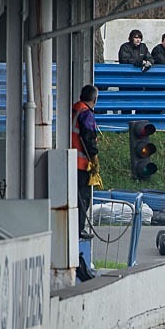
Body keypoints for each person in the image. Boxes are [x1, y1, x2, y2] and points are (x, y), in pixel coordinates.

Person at [71, 85, 100, 239]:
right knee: (83, 198)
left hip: (70, 161)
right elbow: (89, 138)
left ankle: (74, 228)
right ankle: (79, 229)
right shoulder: (86, 113)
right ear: (94, 99)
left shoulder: (74, 109)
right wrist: (94, 160)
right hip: (81, 163)